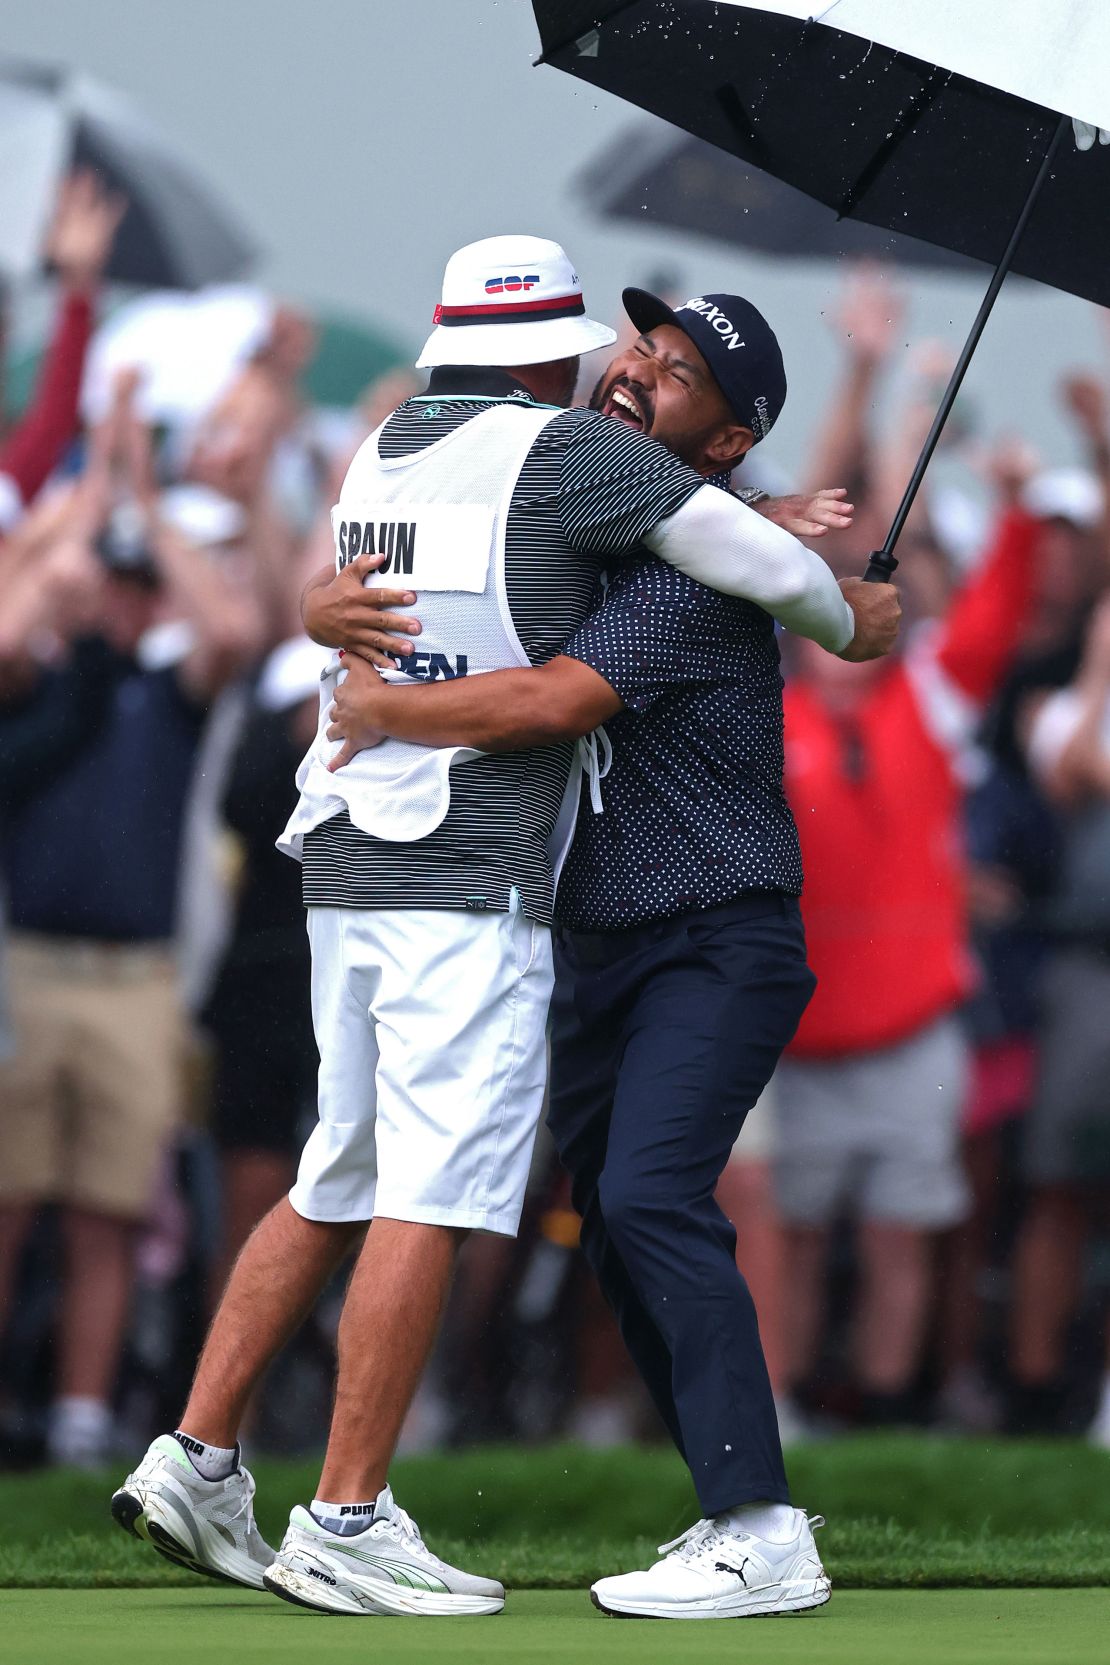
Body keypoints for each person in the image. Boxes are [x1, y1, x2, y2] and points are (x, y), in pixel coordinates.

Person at [112, 234, 898, 1618]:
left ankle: (751, 1519)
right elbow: (497, 614)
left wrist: (823, 590)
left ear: (728, 431)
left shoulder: (605, 528)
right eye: (634, 348)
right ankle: (228, 1463)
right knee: (552, 1208)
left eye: (674, 372)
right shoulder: (589, 497)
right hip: (577, 932)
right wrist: (836, 597)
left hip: (708, 931)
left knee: (592, 1196)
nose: (633, 372)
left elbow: (554, 695)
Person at [0, 383, 261, 1468]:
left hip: (135, 980)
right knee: (7, 1205)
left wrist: (151, 510)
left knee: (111, 1213)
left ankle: (77, 1420)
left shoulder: (173, 692)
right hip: (28, 971)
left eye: (139, 588)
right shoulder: (32, 687)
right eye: (117, 581)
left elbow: (237, 629)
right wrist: (83, 511)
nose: (127, 598)